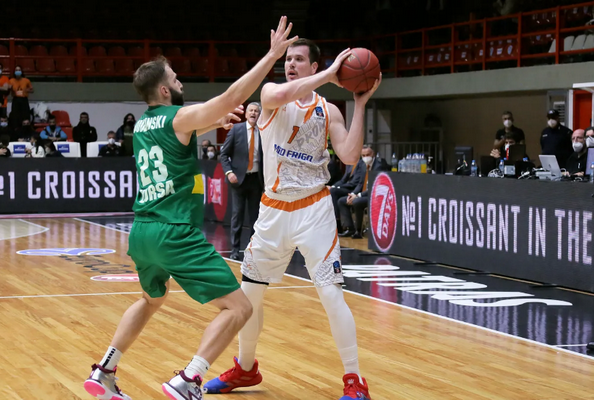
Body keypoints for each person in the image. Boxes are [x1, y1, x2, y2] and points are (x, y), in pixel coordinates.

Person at [83, 17, 297, 400]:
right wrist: (271, 57)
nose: (181, 82)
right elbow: (230, 97)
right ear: (165, 89)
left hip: (142, 231)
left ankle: (104, 370)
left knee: (151, 299)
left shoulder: (142, 126)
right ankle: (189, 378)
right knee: (239, 309)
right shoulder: (178, 117)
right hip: (174, 231)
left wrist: (212, 121)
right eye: (176, 79)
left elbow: (178, 136)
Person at [204, 39, 380, 400]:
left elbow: (349, 155)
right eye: (288, 59)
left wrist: (360, 103)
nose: (291, 64)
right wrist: (331, 75)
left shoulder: (328, 111)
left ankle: (354, 380)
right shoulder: (271, 95)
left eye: (299, 59)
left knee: (331, 294)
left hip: (314, 210)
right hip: (273, 210)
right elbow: (283, 93)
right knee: (249, 297)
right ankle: (246, 368)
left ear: (314, 66)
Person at [220, 102, 264, 260]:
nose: (253, 113)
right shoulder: (236, 130)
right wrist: (229, 172)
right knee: (237, 215)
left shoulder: (264, 131)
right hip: (238, 179)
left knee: (255, 217)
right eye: (251, 110)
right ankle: (234, 249)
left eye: (256, 111)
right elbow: (224, 154)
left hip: (256, 179)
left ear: (259, 115)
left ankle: (252, 250)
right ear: (246, 114)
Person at [338, 145, 387, 239]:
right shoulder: (364, 166)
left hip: (375, 195)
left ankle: (358, 231)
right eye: (363, 155)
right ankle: (350, 228)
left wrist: (358, 195)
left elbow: (374, 187)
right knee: (342, 201)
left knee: (357, 202)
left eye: (367, 155)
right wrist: (353, 194)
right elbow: (360, 184)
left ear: (373, 154)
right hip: (363, 194)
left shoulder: (378, 167)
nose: (365, 157)